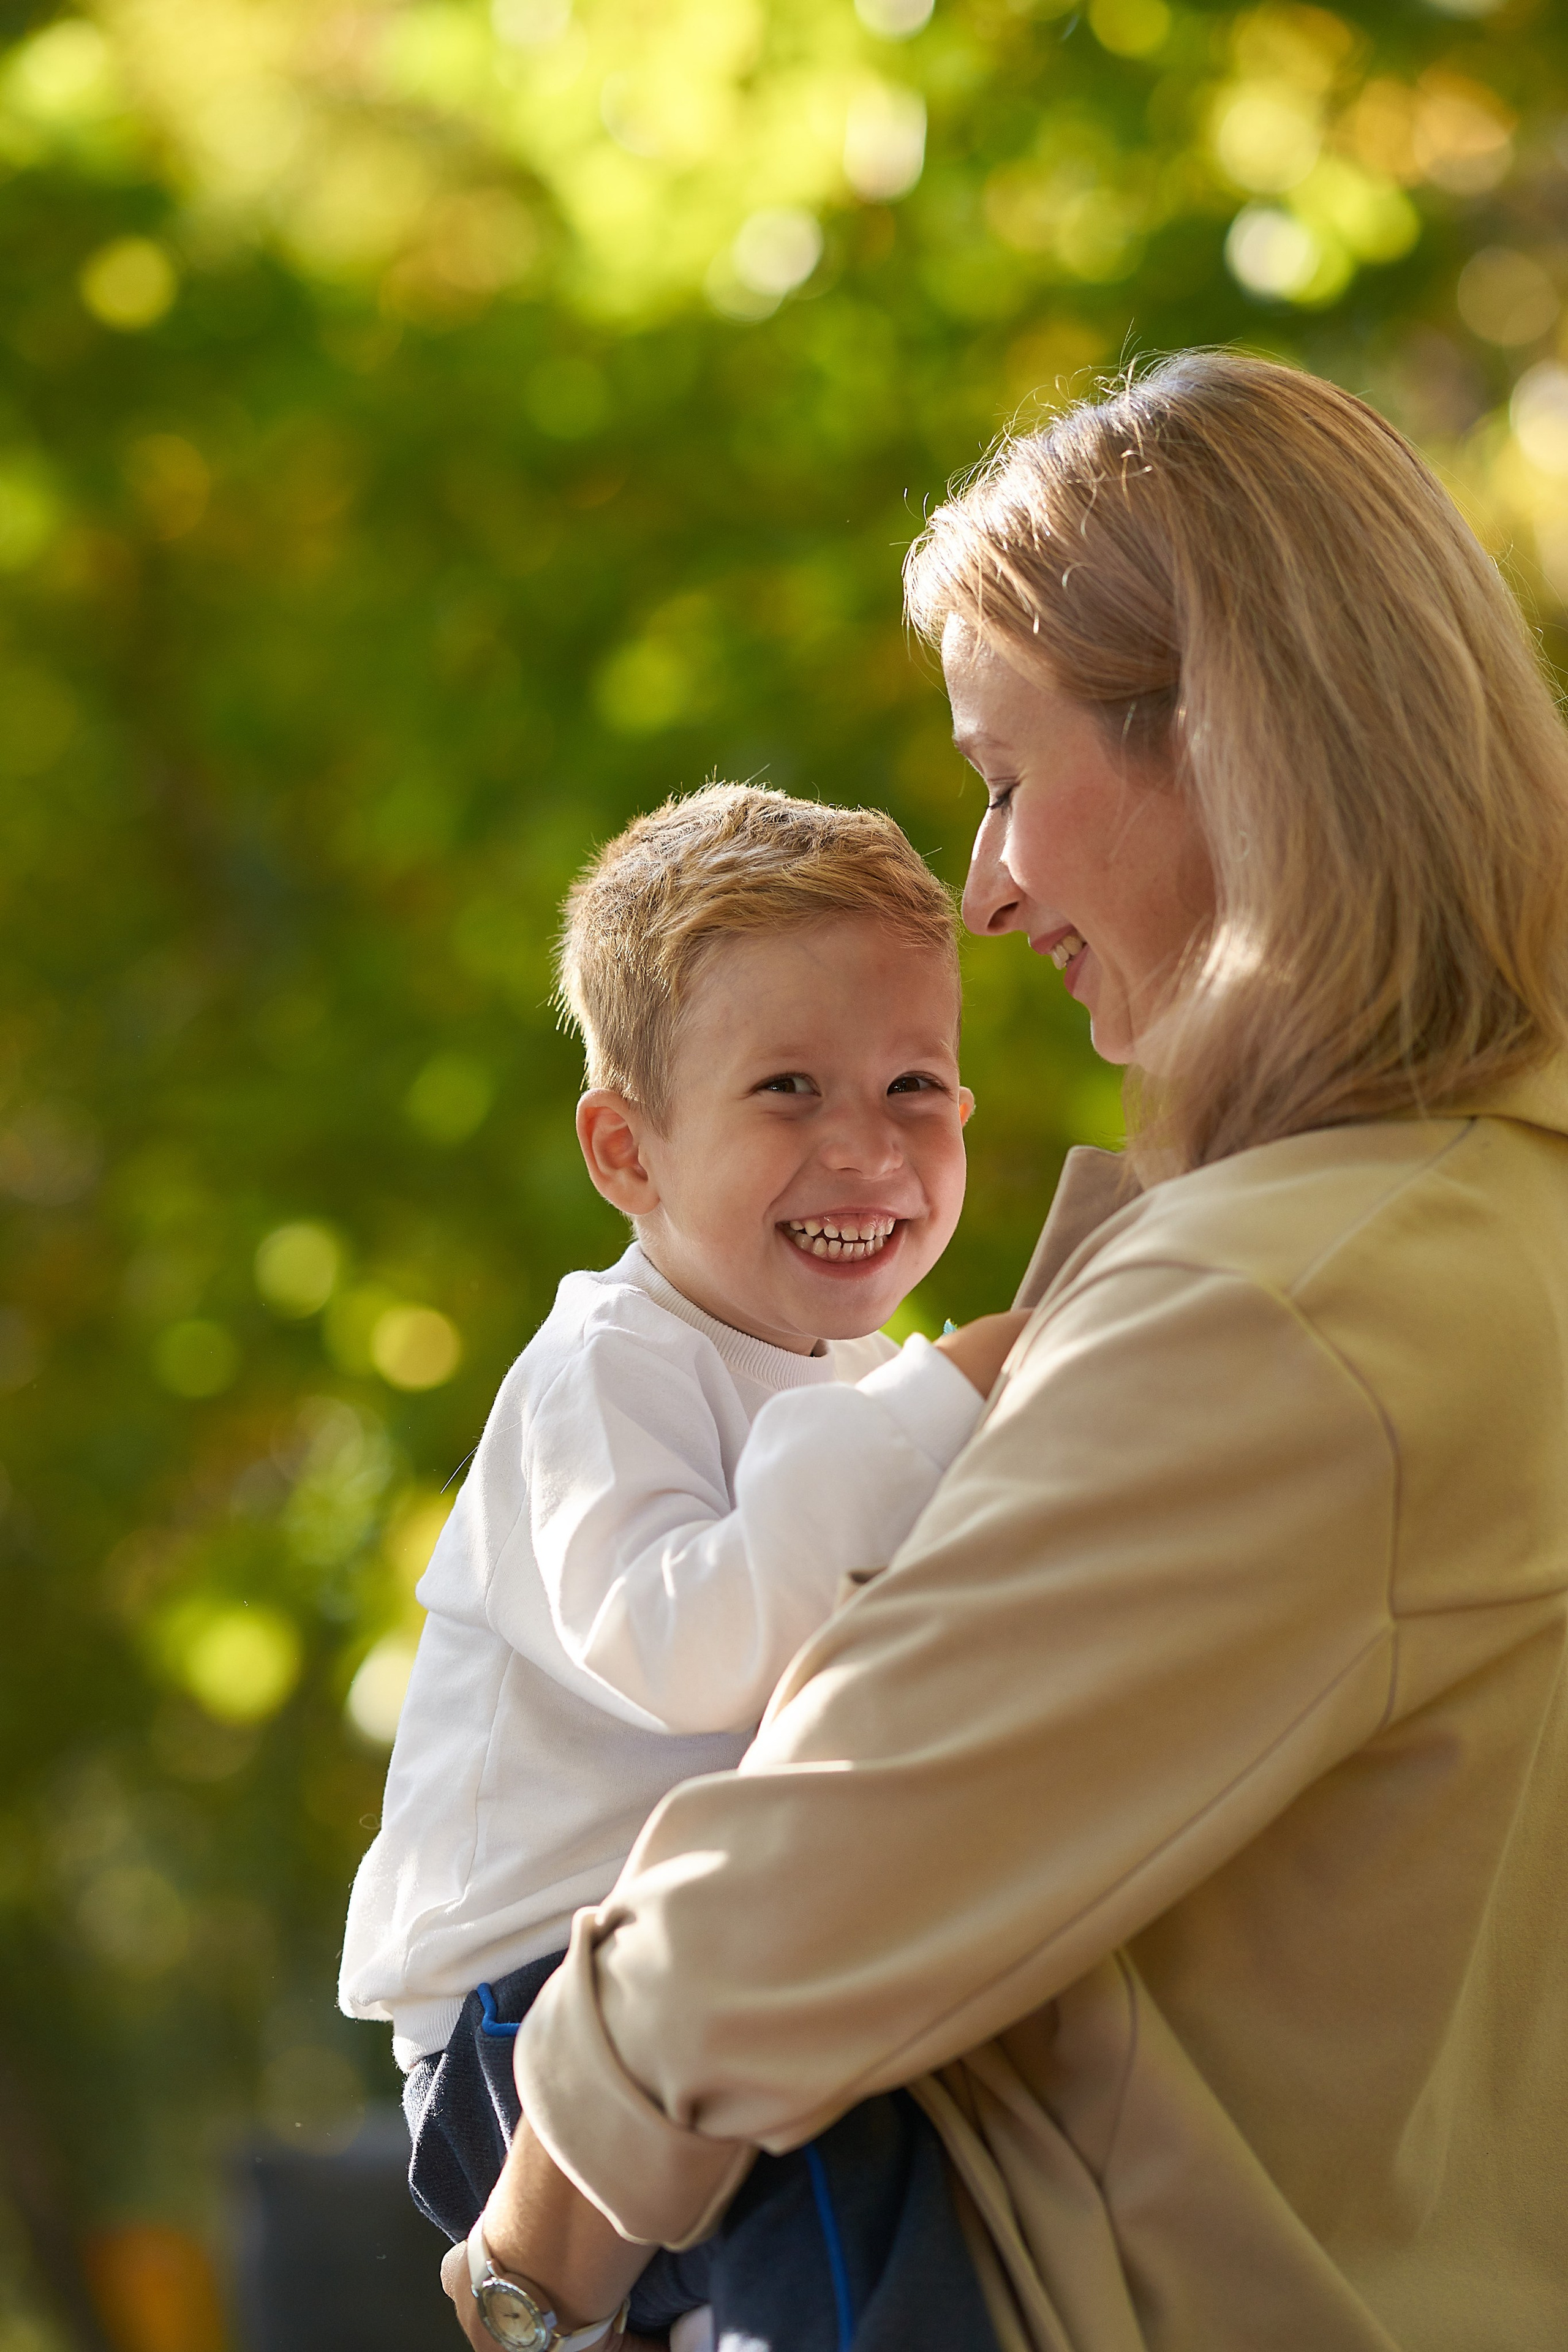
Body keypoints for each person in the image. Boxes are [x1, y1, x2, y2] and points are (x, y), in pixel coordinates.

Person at [440, 350, 1568, 2352]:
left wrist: (524, 2272)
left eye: (1002, 776)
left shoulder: (1292, 1305)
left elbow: (809, 1883)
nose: (984, 887)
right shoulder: (1494, 1226)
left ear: (1225, 741)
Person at [338, 783, 1025, 2342]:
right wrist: (951, 1396)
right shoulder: (606, 1368)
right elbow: (688, 1645)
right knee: (844, 2174)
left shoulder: (858, 1393)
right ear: (624, 1151)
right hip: (528, 2013)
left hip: (711, 1972)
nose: (866, 1149)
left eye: (914, 1082)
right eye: (786, 1089)